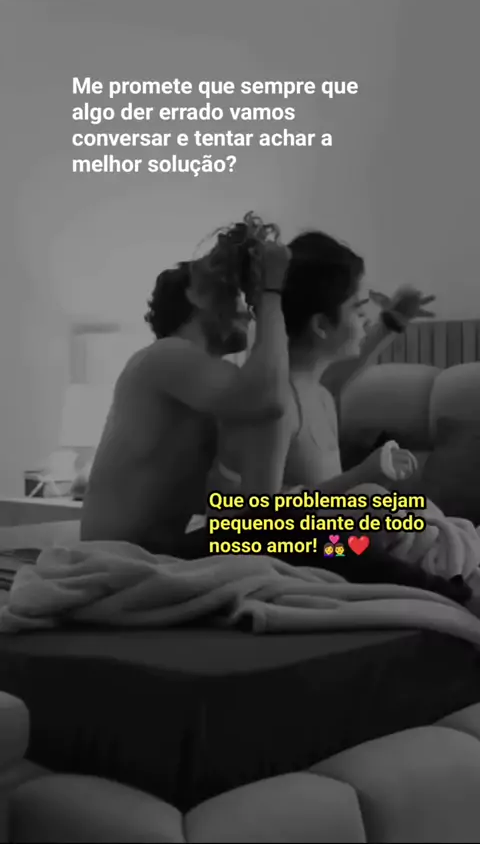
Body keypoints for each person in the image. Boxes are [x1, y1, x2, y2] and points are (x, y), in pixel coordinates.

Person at [211, 230, 471, 605]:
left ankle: (442, 559)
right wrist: (361, 476)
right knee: (367, 511)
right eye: (357, 309)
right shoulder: (276, 405)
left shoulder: (316, 391)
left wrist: (392, 321)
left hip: (331, 536)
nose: (365, 320)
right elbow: (258, 521)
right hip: (287, 545)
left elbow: (347, 368)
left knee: (390, 509)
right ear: (321, 325)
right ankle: (447, 586)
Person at [80, 216, 292, 556]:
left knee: (308, 538)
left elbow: (246, 502)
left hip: (153, 552)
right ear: (196, 297)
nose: (248, 312)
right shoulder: (165, 356)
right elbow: (268, 400)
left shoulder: (209, 384)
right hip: (120, 555)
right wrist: (270, 293)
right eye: (236, 296)